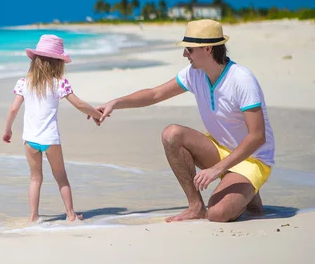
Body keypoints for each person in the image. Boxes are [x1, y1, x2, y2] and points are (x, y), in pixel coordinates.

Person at [92, 19, 275, 223]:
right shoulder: (194, 74)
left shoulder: (242, 79)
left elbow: (257, 137)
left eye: (189, 49)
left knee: (217, 214)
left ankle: (245, 187)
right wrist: (115, 103)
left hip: (253, 158)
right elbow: (154, 94)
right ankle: (196, 206)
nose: (184, 54)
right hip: (221, 149)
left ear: (207, 49)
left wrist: (217, 169)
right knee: (172, 134)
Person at [3, 34, 103, 223]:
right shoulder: (59, 83)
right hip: (50, 139)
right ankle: (71, 214)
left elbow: (13, 108)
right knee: (61, 178)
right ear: (58, 62)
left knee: (35, 179)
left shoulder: (24, 83)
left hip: (30, 139)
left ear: (35, 60)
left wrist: (7, 130)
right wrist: (97, 115)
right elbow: (79, 104)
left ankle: (33, 217)